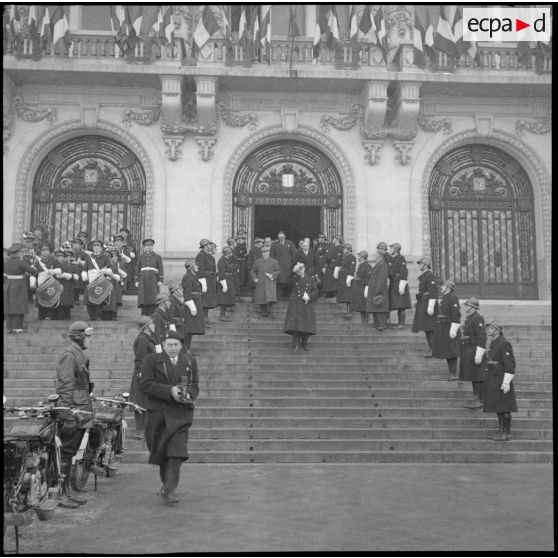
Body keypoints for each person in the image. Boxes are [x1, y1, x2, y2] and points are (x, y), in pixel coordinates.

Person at [139, 330, 199, 504]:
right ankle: (166, 484)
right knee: (162, 452)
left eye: (176, 345)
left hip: (180, 414)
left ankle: (170, 488)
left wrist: (189, 396)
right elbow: (144, 385)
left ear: (181, 346)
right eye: (169, 345)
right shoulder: (151, 360)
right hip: (158, 414)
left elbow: (195, 385)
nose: (173, 348)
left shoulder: (189, 361)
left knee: (176, 451)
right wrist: (169, 391)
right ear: (163, 346)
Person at [55, 321, 94, 508]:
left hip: (81, 409)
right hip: (74, 412)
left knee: (69, 454)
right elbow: (65, 385)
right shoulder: (69, 355)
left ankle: (66, 491)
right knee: (65, 453)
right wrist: (67, 415)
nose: (89, 339)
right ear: (79, 336)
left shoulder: (78, 354)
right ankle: (60, 494)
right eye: (87, 335)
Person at [483, 321, 518, 441]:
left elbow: (510, 363)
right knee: (499, 406)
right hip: (494, 378)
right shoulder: (494, 343)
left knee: (505, 407)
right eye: (488, 328)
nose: (488, 330)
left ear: (497, 330)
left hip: (501, 379)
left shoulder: (504, 343)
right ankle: (501, 431)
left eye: (491, 328)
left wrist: (506, 382)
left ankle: (506, 432)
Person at [459, 297, 487, 409]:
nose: (466, 307)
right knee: (473, 376)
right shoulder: (469, 318)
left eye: (468, 305)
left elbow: (482, 337)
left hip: (475, 350)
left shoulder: (478, 318)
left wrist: (479, 353)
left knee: (478, 376)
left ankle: (480, 400)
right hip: (469, 350)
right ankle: (477, 398)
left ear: (473, 307)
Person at [131, 316, 156, 440]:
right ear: (146, 327)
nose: (154, 325)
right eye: (152, 324)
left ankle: (146, 428)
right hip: (143, 373)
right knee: (140, 401)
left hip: (150, 373)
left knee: (147, 400)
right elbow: (139, 357)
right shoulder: (142, 339)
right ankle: (139, 430)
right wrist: (141, 372)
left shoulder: (148, 338)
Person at [283, 262, 318, 352]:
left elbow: (315, 291)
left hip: (306, 303)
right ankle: (295, 344)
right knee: (295, 324)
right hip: (295, 303)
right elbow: (286, 282)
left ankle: (304, 343)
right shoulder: (294, 278)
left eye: (301, 269)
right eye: (299, 269)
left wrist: (309, 296)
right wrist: (293, 272)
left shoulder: (310, 279)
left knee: (306, 324)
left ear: (304, 269)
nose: (300, 271)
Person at [432, 280, 461, 381]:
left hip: (450, 327)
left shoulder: (453, 297)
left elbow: (456, 314)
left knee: (452, 351)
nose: (441, 288)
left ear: (448, 287)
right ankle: (451, 372)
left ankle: (453, 373)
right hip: (443, 326)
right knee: (448, 351)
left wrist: (453, 329)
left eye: (443, 286)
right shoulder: (445, 297)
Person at [4, 243, 36, 333]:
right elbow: (33, 271)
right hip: (19, 286)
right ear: (18, 253)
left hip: (8, 286)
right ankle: (17, 328)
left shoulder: (6, 263)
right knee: (19, 306)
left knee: (10, 306)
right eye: (21, 252)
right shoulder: (21, 262)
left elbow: (5, 276)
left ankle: (9, 328)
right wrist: (33, 267)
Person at [411, 256, 439, 357]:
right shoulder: (425, 275)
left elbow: (433, 291)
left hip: (428, 305)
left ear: (426, 265)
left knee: (430, 328)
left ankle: (433, 350)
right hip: (424, 303)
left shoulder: (429, 275)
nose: (420, 265)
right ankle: (432, 349)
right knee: (427, 328)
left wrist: (431, 306)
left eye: (421, 263)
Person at [82, 239, 114, 321]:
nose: (96, 248)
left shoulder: (105, 256)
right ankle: (90, 315)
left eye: (98, 246)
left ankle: (98, 315)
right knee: (89, 299)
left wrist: (105, 271)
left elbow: (110, 268)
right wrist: (84, 275)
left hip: (100, 280)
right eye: (95, 246)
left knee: (99, 297)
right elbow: (85, 268)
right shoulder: (89, 257)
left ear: (101, 248)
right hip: (90, 280)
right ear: (92, 248)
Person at [181, 260, 205, 355]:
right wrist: (192, 306)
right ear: (191, 267)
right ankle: (186, 349)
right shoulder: (187, 277)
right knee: (188, 329)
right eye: (195, 266)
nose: (197, 267)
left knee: (191, 329)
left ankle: (188, 349)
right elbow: (187, 293)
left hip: (196, 302)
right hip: (191, 304)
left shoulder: (193, 276)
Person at [136, 238, 164, 316]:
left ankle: (152, 314)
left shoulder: (157, 257)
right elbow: (137, 268)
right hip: (143, 280)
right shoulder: (140, 257)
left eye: (151, 245)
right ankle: (144, 314)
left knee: (153, 297)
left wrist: (160, 279)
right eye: (147, 245)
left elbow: (160, 268)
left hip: (153, 279)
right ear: (144, 247)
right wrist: (136, 280)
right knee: (143, 297)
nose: (149, 247)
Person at [35, 243, 63, 320]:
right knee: (41, 300)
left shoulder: (54, 261)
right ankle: (41, 316)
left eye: (46, 250)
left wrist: (53, 271)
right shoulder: (38, 262)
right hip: (41, 284)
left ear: (50, 252)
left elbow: (60, 270)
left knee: (50, 299)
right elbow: (34, 272)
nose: (44, 252)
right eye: (42, 250)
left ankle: (49, 316)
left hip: (51, 284)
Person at [387, 243, 412, 328]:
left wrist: (402, 284)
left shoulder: (401, 258)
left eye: (391, 248)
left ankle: (401, 323)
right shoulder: (390, 258)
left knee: (401, 305)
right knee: (395, 303)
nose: (390, 250)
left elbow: (404, 271)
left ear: (396, 249)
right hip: (393, 282)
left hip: (399, 283)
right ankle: (395, 322)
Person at [251, 245, 280, 318]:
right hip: (261, 282)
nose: (265, 253)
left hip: (270, 282)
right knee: (262, 297)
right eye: (263, 252)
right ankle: (263, 311)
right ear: (261, 253)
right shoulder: (258, 261)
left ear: (269, 252)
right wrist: (255, 278)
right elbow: (252, 271)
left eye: (266, 252)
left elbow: (278, 271)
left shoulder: (274, 261)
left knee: (271, 297)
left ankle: (271, 311)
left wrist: (272, 275)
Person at [365, 248, 390, 330]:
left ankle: (382, 324)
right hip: (374, 289)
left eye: (375, 255)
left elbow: (382, 279)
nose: (374, 257)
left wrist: (378, 290)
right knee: (375, 308)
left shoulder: (382, 264)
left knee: (380, 308)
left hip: (379, 290)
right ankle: (377, 324)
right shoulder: (378, 264)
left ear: (379, 256)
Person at [196, 238, 218, 325]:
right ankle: (202, 318)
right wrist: (203, 283)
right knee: (204, 299)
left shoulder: (210, 256)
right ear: (205, 246)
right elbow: (200, 270)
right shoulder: (200, 256)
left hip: (211, 280)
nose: (210, 246)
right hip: (204, 280)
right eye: (209, 245)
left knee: (209, 299)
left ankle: (206, 316)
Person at [270, 231, 295, 299]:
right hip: (278, 266)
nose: (281, 238)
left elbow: (294, 255)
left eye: (282, 237)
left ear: (285, 236)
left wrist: (292, 264)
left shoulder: (290, 243)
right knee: (279, 281)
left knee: (288, 281)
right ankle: (279, 296)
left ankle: (288, 295)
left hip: (288, 266)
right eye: (279, 237)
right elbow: (272, 256)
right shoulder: (274, 244)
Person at [53, 248, 75, 320]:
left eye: (61, 256)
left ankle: (65, 316)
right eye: (57, 256)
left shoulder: (67, 266)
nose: (59, 258)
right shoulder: (53, 264)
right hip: (55, 286)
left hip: (65, 286)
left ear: (63, 258)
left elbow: (71, 276)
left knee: (64, 303)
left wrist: (64, 275)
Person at [350, 251, 372, 324]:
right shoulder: (360, 265)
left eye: (359, 256)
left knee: (365, 305)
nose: (358, 257)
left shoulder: (367, 265)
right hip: (359, 287)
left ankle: (366, 321)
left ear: (362, 257)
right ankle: (362, 321)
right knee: (360, 306)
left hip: (364, 287)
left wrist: (366, 286)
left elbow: (368, 277)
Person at [217, 246, 236, 322]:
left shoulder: (227, 260)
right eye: (230, 252)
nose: (231, 253)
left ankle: (223, 315)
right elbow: (221, 273)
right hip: (224, 280)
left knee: (226, 298)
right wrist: (224, 284)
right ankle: (222, 316)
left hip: (228, 279)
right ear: (227, 253)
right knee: (223, 299)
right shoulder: (222, 261)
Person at [338, 243, 356, 319]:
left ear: (348, 250)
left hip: (348, 278)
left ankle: (350, 312)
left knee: (349, 295)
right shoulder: (344, 257)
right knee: (346, 296)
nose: (343, 250)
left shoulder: (352, 257)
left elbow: (352, 268)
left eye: (345, 249)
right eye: (343, 249)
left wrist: (349, 277)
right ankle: (348, 311)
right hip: (343, 277)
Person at [324, 235, 343, 300]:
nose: (333, 240)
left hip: (334, 266)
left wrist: (337, 267)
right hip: (330, 265)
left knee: (333, 281)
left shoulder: (339, 248)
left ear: (337, 240)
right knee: (329, 280)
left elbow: (339, 258)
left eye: (334, 239)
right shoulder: (333, 247)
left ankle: (333, 293)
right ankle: (329, 292)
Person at [247, 238, 263, 303]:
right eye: (258, 243)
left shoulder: (263, 250)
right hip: (253, 270)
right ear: (256, 244)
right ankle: (254, 298)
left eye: (260, 243)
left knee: (259, 285)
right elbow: (249, 260)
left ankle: (259, 298)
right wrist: (249, 269)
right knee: (253, 285)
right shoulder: (252, 251)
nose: (260, 244)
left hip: (261, 270)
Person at [314, 233, 330, 298]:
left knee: (324, 279)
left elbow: (327, 256)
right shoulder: (318, 246)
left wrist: (325, 266)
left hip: (322, 264)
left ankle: (324, 293)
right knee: (318, 279)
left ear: (323, 239)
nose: (319, 239)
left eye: (321, 238)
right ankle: (319, 293)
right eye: (319, 238)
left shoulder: (326, 245)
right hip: (318, 264)